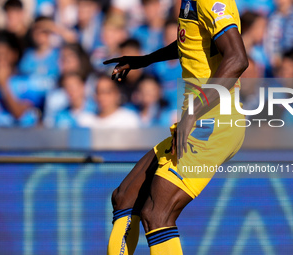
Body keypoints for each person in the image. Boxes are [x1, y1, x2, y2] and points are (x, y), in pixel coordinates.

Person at [104, 0, 249, 254]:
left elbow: (237, 58)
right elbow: (193, 43)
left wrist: (193, 111)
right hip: (198, 120)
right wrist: (144, 60)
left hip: (213, 123)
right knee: (124, 197)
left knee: (156, 214)